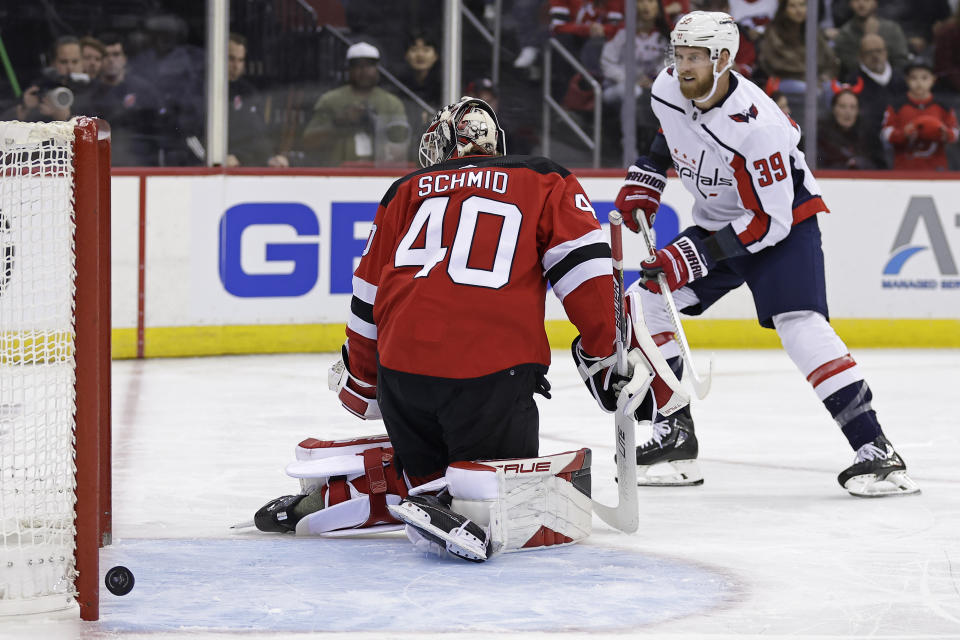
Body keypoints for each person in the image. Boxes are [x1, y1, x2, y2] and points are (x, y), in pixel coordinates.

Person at [253, 96, 688, 561]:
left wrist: (364, 383)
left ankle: (375, 488)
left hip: (402, 381)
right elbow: (587, 272)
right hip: (490, 378)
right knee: (502, 499)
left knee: (436, 465)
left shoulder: (405, 189)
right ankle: (456, 506)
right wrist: (606, 355)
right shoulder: (544, 178)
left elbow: (367, 296)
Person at [613, 11, 920, 496]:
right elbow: (669, 133)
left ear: (725, 60)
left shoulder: (757, 128)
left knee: (800, 326)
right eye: (681, 54)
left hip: (785, 223)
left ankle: (875, 448)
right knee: (643, 302)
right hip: (722, 220)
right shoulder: (670, 86)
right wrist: (648, 174)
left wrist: (692, 257)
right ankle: (674, 431)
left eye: (696, 57)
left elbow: (767, 223)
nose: (684, 66)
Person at [301, 42, 410, 167]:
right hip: (337, 174)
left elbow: (402, 146)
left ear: (377, 69)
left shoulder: (391, 103)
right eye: (358, 66)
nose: (363, 71)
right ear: (349, 70)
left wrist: (377, 126)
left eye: (369, 66)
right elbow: (308, 142)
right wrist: (339, 122)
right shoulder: (330, 100)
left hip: (380, 174)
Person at [83, 33, 166, 166]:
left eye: (116, 54)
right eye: (106, 56)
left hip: (140, 165)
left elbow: (158, 132)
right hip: (100, 165)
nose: (111, 60)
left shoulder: (144, 90)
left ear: (125, 58)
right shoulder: (88, 93)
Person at [881, 59, 959, 171]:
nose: (919, 83)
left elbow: (955, 132)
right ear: (907, 80)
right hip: (904, 168)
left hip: (936, 169)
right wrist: (903, 134)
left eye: (924, 77)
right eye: (914, 78)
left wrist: (946, 134)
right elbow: (886, 133)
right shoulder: (896, 106)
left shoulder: (943, 107)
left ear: (933, 79)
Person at [226, 33, 289, 168]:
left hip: (242, 165)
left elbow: (258, 132)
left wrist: (269, 157)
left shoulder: (249, 92)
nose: (236, 66)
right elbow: (191, 137)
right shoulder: (204, 90)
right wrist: (211, 158)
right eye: (231, 59)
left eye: (240, 60)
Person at [832, 0, 909, 78]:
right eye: (856, 0)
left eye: (866, 0)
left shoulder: (892, 29)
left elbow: (901, 61)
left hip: (893, 82)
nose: (861, 4)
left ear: (875, 2)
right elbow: (852, 67)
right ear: (850, 3)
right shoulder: (845, 35)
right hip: (859, 83)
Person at [816, 87, 882, 169]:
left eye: (853, 107)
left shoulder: (869, 136)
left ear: (858, 110)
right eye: (842, 106)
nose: (848, 112)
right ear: (834, 109)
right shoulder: (822, 136)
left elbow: (881, 166)